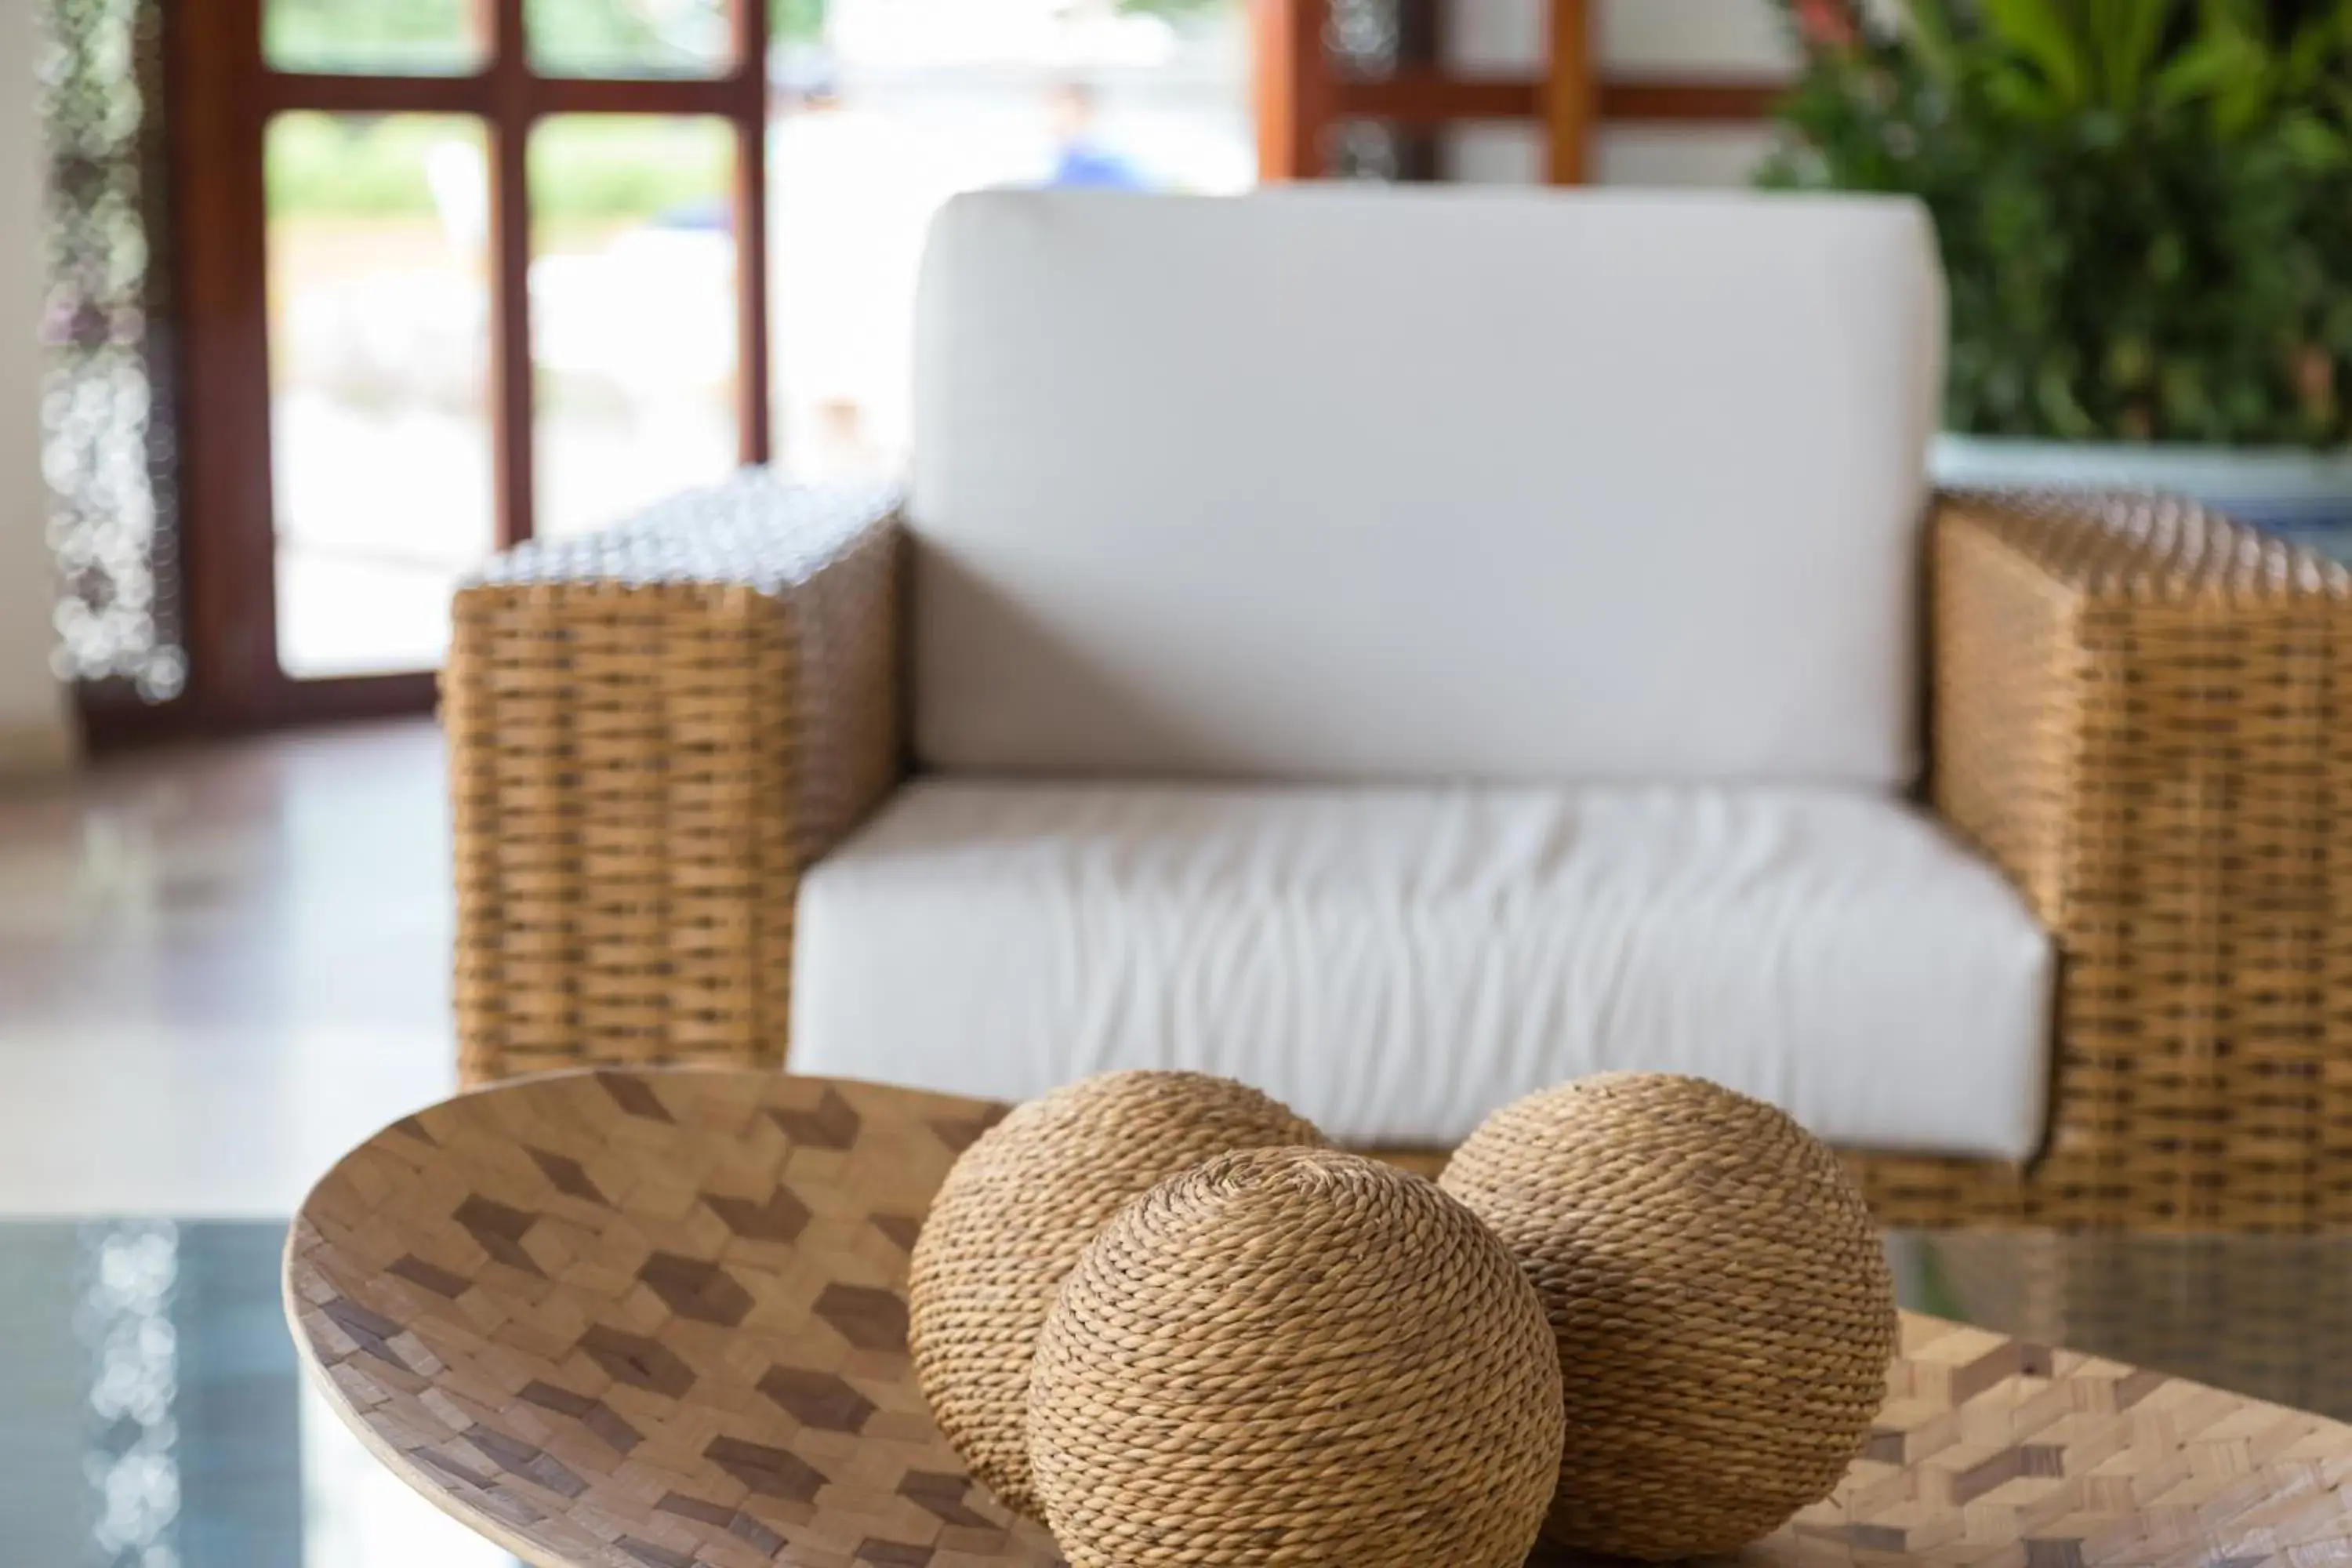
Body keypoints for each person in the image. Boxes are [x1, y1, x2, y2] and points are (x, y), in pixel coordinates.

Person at [1043, 80, 1151, 191]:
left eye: (1057, 106)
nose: (1049, 116)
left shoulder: (1108, 166)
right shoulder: (1063, 164)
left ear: (1085, 110)